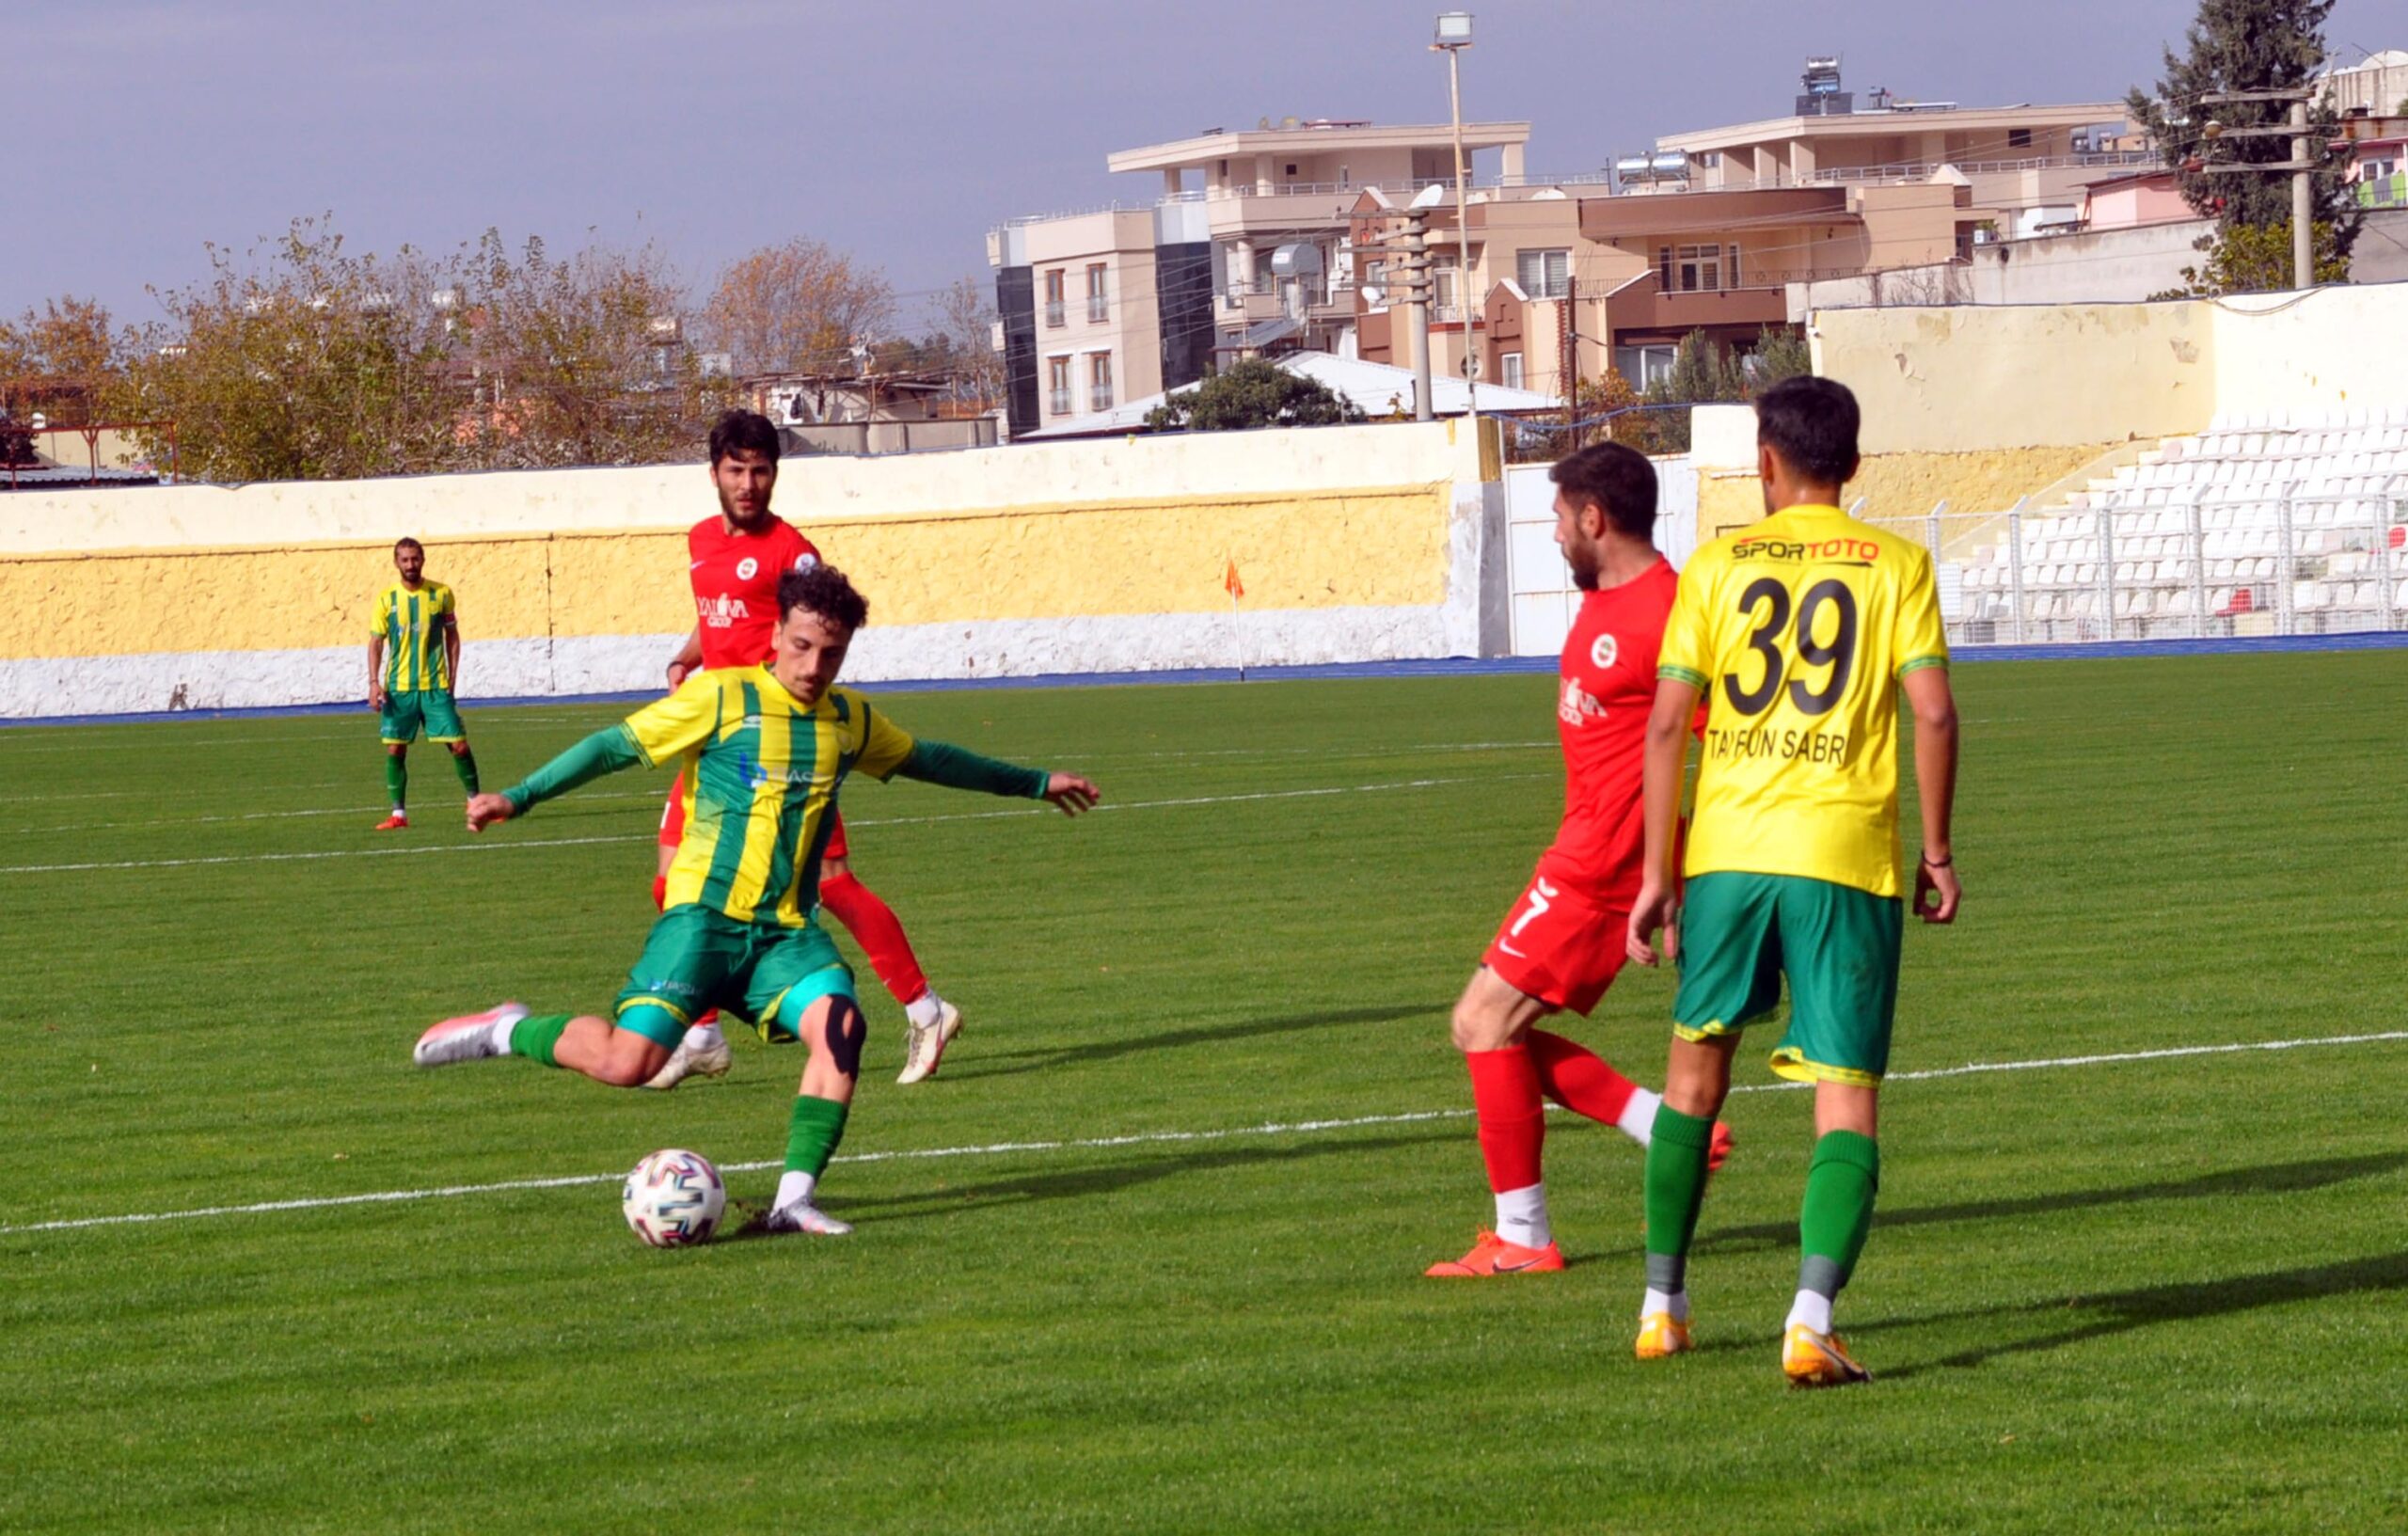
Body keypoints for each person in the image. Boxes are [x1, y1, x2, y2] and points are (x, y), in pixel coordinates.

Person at [412, 564, 1101, 1236]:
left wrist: (1036, 782)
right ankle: (509, 1027)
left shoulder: (849, 719)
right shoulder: (722, 697)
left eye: (831, 652)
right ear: (775, 635)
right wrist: (518, 797)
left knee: (842, 1028)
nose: (813, 665)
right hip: (703, 923)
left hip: (786, 936)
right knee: (628, 1064)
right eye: (802, 646)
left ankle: (794, 1202)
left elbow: (934, 759)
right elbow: (614, 746)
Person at [1624, 375, 1960, 1386]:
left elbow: (1666, 724)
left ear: (1764, 461)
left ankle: (1660, 1305)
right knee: (1844, 1098)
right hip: (1842, 857)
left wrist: (1656, 874)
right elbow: (1934, 716)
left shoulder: (1717, 567)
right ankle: (1808, 1317)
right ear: (1851, 466)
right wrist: (1935, 853)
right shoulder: (1896, 563)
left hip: (1725, 856)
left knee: (1692, 1077)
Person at [1427, 442, 1731, 1278]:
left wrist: (1670, 880)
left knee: (1484, 1022)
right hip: (1584, 850)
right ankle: (1659, 1125)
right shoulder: (1610, 598)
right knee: (1487, 1028)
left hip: (1603, 869)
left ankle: (1525, 1237)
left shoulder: (1669, 613)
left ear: (1595, 518)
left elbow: (1720, 749)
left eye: (1561, 518)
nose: (1556, 534)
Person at [645, 409, 963, 1091]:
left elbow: (817, 629)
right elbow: (720, 616)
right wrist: (685, 657)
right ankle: (701, 1031)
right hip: (716, 741)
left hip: (783, 745)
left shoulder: (795, 551)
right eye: (737, 469)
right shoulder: (700, 540)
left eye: (762, 469)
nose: (750, 483)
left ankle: (925, 1008)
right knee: (672, 880)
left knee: (830, 881)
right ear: (715, 474)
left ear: (775, 473)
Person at [367, 537, 479, 831]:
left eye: (415, 559)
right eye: (404, 560)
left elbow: (452, 638)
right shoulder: (386, 599)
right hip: (399, 690)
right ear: (396, 563)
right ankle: (399, 816)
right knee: (395, 750)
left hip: (435, 687)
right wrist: (374, 683)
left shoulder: (441, 594)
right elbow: (376, 642)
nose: (410, 565)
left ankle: (476, 803)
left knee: (459, 745)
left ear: (423, 560)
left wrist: (452, 678)